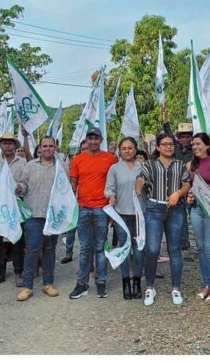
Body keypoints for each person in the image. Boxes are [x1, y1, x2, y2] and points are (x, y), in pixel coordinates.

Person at [136, 133, 190, 306]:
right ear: (158, 147)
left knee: (174, 250)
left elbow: (187, 183)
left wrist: (179, 193)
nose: (169, 147)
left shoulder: (180, 164)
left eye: (171, 144)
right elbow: (141, 179)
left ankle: (176, 288)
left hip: (175, 210)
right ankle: (150, 287)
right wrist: (138, 187)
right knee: (152, 249)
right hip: (154, 209)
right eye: (165, 144)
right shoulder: (150, 164)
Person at [69, 127, 118, 299]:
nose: (93, 142)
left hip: (102, 209)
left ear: (101, 139)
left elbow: (115, 184)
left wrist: (113, 210)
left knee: (100, 247)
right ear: (86, 140)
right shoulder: (78, 160)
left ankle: (101, 282)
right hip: (83, 209)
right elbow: (73, 184)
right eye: (90, 138)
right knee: (84, 248)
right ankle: (81, 285)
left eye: (96, 138)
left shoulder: (111, 159)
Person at [15, 136, 65, 301]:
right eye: (45, 146)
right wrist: (19, 187)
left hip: (53, 218)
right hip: (33, 215)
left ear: (55, 148)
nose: (48, 148)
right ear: (40, 149)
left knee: (50, 250)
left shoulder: (62, 166)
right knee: (32, 250)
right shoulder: (30, 166)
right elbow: (23, 184)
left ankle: (48, 284)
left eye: (51, 146)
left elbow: (66, 191)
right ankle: (27, 286)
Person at [186, 133, 210, 305]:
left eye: (198, 144)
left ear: (207, 145)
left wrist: (197, 190)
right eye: (193, 144)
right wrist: (190, 194)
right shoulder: (192, 165)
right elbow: (188, 185)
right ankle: (206, 284)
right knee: (200, 248)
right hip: (196, 210)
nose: (195, 147)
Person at [104, 137, 145, 300]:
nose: (127, 151)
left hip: (139, 214)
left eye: (130, 148)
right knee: (125, 249)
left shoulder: (143, 167)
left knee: (139, 249)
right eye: (124, 148)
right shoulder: (114, 168)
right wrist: (111, 197)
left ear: (135, 150)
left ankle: (137, 282)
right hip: (122, 214)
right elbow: (109, 189)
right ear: (120, 151)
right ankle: (125, 282)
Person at [0, 132, 28, 286]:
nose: (8, 146)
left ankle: (19, 271)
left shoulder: (22, 162)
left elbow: (26, 183)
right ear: (0, 145)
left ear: (15, 146)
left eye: (10, 143)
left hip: (16, 205)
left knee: (17, 238)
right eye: (5, 143)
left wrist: (20, 187)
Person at [61, 138, 89, 264]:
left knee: (86, 235)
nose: (85, 151)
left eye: (87, 148)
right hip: (74, 204)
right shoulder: (74, 164)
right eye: (83, 149)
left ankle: (87, 259)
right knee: (70, 230)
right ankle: (68, 253)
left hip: (87, 205)